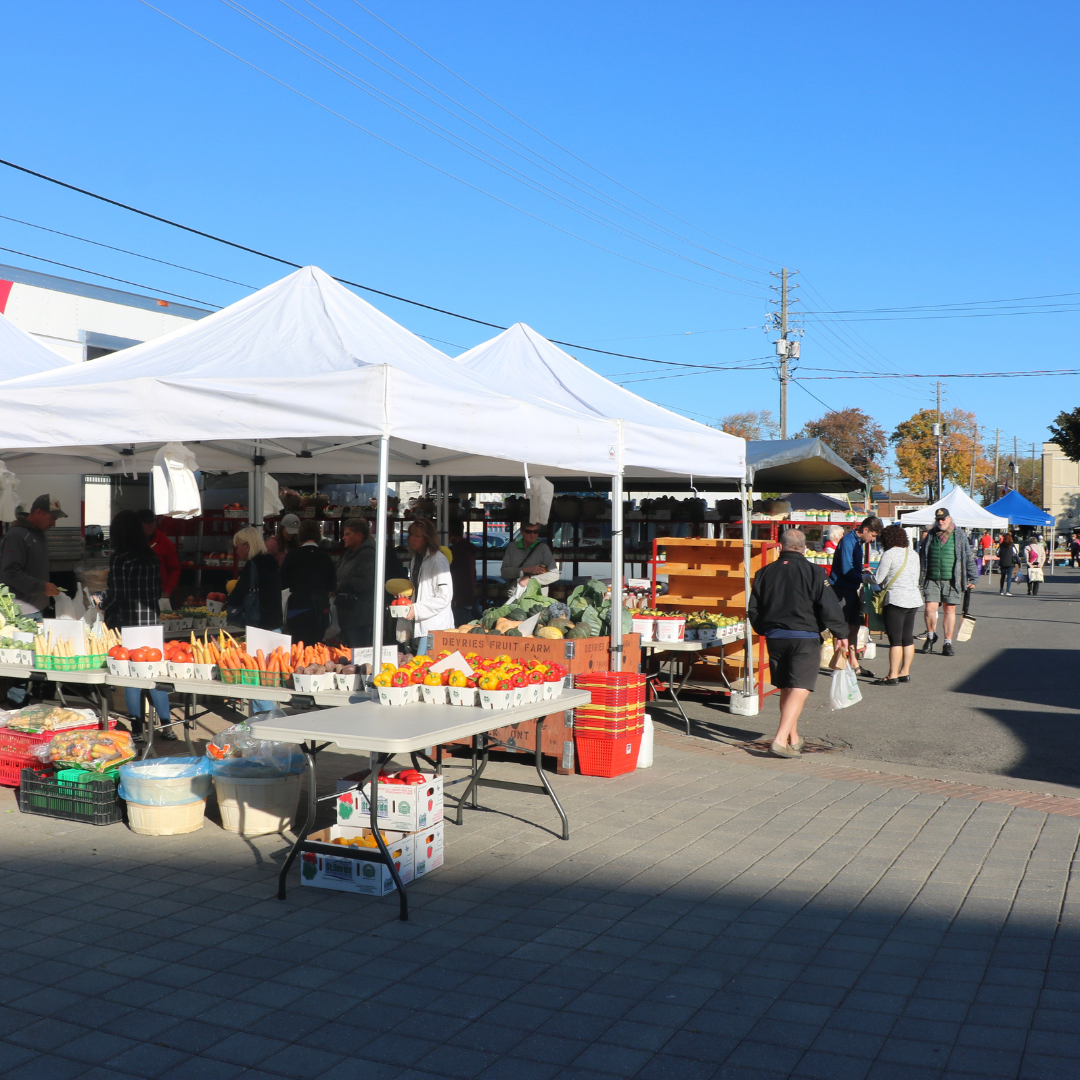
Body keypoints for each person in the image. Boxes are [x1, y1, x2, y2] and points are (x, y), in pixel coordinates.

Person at [748, 529, 849, 759]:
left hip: (775, 637)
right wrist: (841, 632)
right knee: (800, 687)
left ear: (780, 546)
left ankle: (794, 738)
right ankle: (780, 739)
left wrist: (764, 629)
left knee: (786, 686)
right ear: (804, 548)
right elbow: (829, 606)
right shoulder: (814, 572)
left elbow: (753, 608)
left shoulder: (764, 572)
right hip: (804, 636)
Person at [100, 510, 175, 739]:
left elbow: (118, 595)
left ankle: (137, 729)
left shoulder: (122, 558)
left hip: (128, 623)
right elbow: (156, 590)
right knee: (153, 672)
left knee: (132, 676)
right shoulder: (150, 557)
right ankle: (166, 725)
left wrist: (102, 603)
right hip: (151, 622)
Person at [228, 527, 283, 715]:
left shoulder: (252, 566)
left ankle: (267, 723)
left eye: (238, 546)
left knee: (256, 678)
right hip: (275, 625)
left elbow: (237, 595)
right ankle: (262, 723)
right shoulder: (272, 564)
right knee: (269, 677)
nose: (237, 551)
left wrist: (229, 600)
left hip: (259, 626)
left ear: (247, 545)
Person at [867, 524, 922, 685]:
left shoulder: (889, 554)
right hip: (913, 599)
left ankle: (892, 675)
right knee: (907, 638)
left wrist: (865, 576)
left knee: (895, 640)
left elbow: (878, 579)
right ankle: (905, 672)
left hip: (896, 599)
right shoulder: (913, 554)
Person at [828, 516, 883, 677]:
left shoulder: (858, 543)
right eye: (872, 536)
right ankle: (839, 665)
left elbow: (852, 566)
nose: (872, 540)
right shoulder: (848, 542)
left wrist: (863, 570)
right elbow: (846, 569)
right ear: (865, 530)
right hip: (841, 589)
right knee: (841, 629)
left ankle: (853, 663)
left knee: (854, 627)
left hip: (850, 589)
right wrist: (862, 577)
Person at [919, 507, 978, 655]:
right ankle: (931, 637)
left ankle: (947, 643)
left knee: (950, 609)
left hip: (952, 579)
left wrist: (973, 577)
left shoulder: (959, 535)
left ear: (949, 518)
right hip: (931, 578)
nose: (941, 521)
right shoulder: (931, 535)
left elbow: (968, 557)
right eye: (938, 519)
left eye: (944, 518)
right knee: (929, 609)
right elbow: (922, 557)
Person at [0, 494, 65, 618]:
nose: (54, 524)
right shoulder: (17, 535)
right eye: (52, 518)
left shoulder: (38, 534)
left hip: (37, 607)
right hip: (21, 611)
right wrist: (42, 587)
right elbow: (10, 572)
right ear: (38, 512)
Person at [397, 519, 454, 650]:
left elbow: (444, 597)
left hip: (434, 626)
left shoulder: (438, 560)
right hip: (420, 623)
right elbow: (420, 588)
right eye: (411, 535)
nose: (412, 539)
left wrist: (417, 609)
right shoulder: (416, 558)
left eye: (418, 536)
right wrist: (405, 596)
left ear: (428, 538)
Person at [280, 519, 337, 647]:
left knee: (299, 647)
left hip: (298, 608)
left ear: (299, 535)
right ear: (318, 536)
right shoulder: (325, 557)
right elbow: (332, 585)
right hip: (320, 608)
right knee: (316, 647)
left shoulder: (292, 556)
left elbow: (282, 582)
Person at [335, 518, 377, 647]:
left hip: (360, 618)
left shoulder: (368, 554)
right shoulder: (349, 554)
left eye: (348, 534)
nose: (343, 538)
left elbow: (365, 581)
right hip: (347, 616)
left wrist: (340, 585)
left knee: (359, 654)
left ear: (359, 535)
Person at [501, 523, 559, 599]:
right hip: (515, 595)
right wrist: (525, 570)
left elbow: (555, 575)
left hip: (537, 599)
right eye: (528, 531)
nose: (532, 535)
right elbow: (504, 572)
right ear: (521, 531)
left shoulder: (543, 548)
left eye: (535, 532)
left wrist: (530, 580)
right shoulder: (512, 547)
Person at [137, 509, 181, 600]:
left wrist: (167, 591)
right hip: (137, 594)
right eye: (146, 522)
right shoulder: (132, 542)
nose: (150, 525)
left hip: (160, 594)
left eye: (152, 522)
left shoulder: (164, 542)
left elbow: (175, 569)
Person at [448, 520, 479, 626]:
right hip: (468, 594)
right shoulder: (467, 548)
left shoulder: (455, 551)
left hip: (459, 596)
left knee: (461, 627)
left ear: (450, 534)